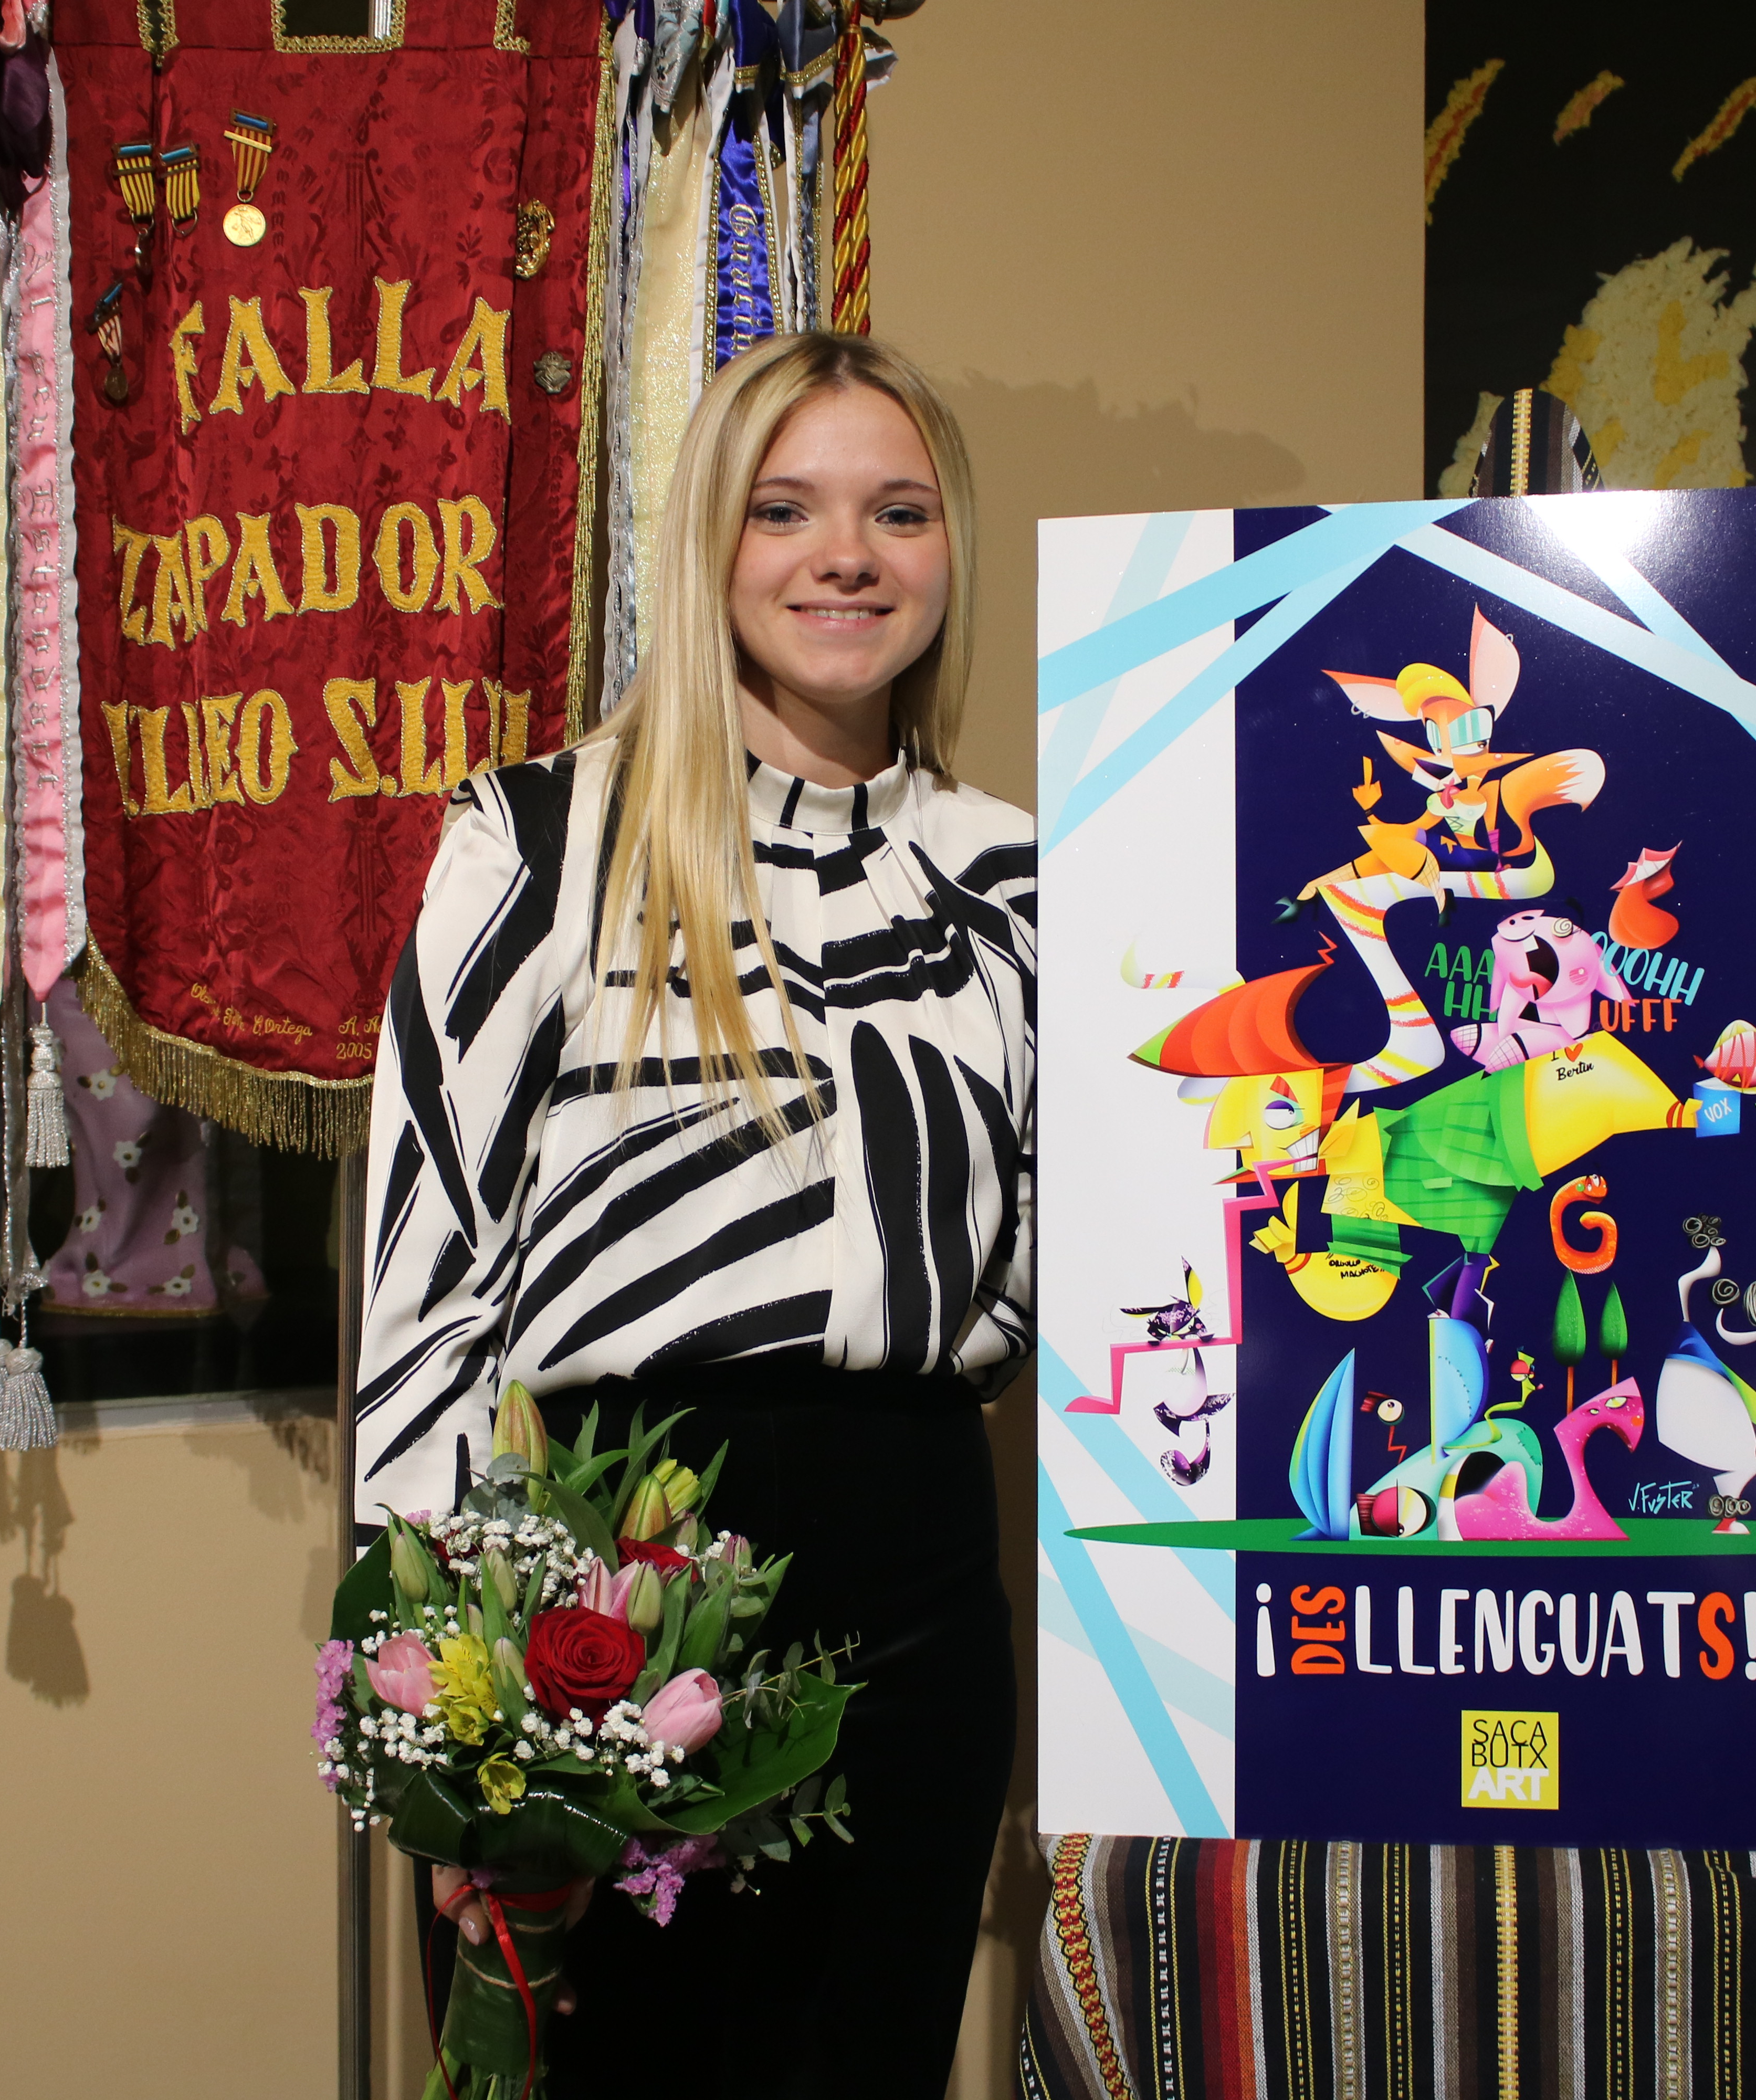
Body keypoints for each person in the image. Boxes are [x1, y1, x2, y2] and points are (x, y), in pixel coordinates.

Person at [347, 330, 1029, 2099]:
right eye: (785, 510)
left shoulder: (1026, 877)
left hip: (923, 1583)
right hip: (616, 1574)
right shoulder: (536, 839)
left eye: (898, 512)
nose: (847, 556)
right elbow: (428, 1290)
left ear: (950, 548)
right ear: (709, 541)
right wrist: (445, 1703)